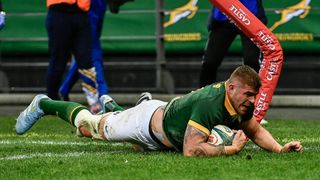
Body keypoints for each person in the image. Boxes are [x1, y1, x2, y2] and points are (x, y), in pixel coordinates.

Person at [16, 65, 303, 157]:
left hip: (162, 124)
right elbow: (191, 151)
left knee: (124, 142)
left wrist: (279, 148)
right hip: (145, 125)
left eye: (256, 95)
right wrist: (231, 150)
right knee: (90, 127)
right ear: (231, 88)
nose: (253, 101)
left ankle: (116, 107)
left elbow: (253, 128)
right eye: (249, 95)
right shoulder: (210, 102)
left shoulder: (237, 102)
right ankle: (44, 103)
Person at [45, 0, 99, 110]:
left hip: (81, 14)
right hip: (59, 12)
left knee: (86, 61)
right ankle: (51, 102)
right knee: (58, 62)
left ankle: (94, 104)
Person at [199, 0, 268, 87]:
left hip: (250, 17)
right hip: (223, 18)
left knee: (252, 62)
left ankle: (255, 97)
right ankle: (204, 97)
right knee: (209, 62)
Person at [59, 0, 109, 113]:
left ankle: (64, 89)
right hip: (85, 7)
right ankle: (101, 96)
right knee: (92, 53)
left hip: (93, 6)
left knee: (85, 55)